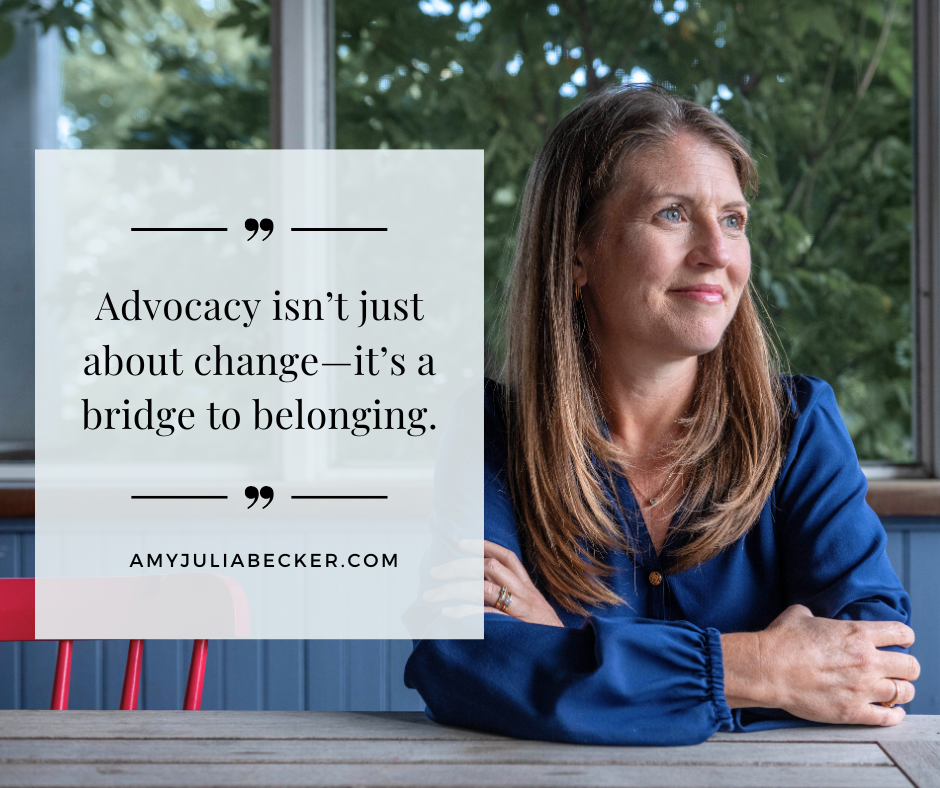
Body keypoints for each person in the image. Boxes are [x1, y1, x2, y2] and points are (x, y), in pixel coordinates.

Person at [403, 83, 919, 746]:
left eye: (733, 220)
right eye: (674, 214)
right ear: (576, 252)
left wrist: (571, 649)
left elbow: (872, 665)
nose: (717, 251)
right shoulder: (490, 435)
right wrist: (760, 668)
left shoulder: (798, 427)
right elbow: (462, 663)